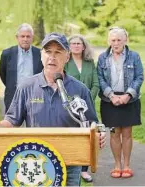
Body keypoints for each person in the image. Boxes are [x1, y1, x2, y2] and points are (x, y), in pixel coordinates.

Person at [0, 32, 106, 186]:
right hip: (36, 162)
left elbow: (91, 123)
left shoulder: (80, 89)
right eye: (48, 52)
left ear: (67, 57)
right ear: (41, 55)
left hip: (70, 163)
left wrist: (98, 133)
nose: (52, 57)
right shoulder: (26, 87)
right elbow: (12, 120)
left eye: (58, 52)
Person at [97, 27, 144, 178]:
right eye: (113, 40)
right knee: (114, 133)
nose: (115, 43)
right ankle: (117, 165)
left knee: (127, 133)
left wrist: (128, 95)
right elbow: (100, 79)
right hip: (109, 100)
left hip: (129, 99)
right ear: (108, 41)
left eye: (119, 40)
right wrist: (111, 96)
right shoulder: (103, 58)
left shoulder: (134, 56)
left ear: (125, 40)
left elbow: (139, 77)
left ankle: (127, 165)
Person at [65, 34, 99, 182]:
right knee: (72, 137)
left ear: (84, 46)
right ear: (69, 47)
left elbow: (96, 83)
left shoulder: (90, 62)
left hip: (88, 105)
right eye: (73, 44)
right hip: (69, 107)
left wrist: (87, 100)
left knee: (87, 137)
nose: (76, 46)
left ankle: (84, 170)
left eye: (79, 43)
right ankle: (70, 165)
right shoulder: (66, 62)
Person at [0, 23, 43, 113]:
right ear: (17, 37)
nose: (25, 39)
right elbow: (3, 75)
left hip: (35, 97)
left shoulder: (40, 53)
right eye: (22, 36)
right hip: (13, 96)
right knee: (12, 125)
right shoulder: (7, 54)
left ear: (32, 37)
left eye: (28, 36)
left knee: (35, 125)